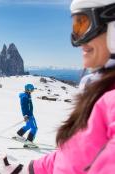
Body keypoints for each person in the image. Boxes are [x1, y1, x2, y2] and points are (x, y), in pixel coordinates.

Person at [8, 0, 115, 173]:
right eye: (75, 27)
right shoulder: (100, 92)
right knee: (32, 126)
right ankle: (24, 136)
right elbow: (75, 155)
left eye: (83, 24)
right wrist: (31, 169)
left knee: (33, 127)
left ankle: (24, 136)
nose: (77, 40)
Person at [13, 84, 38, 148]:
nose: (33, 90)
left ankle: (19, 135)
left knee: (28, 126)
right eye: (32, 89)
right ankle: (29, 142)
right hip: (29, 115)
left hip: (29, 114)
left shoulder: (27, 95)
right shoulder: (25, 96)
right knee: (34, 128)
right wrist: (25, 115)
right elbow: (23, 107)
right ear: (29, 89)